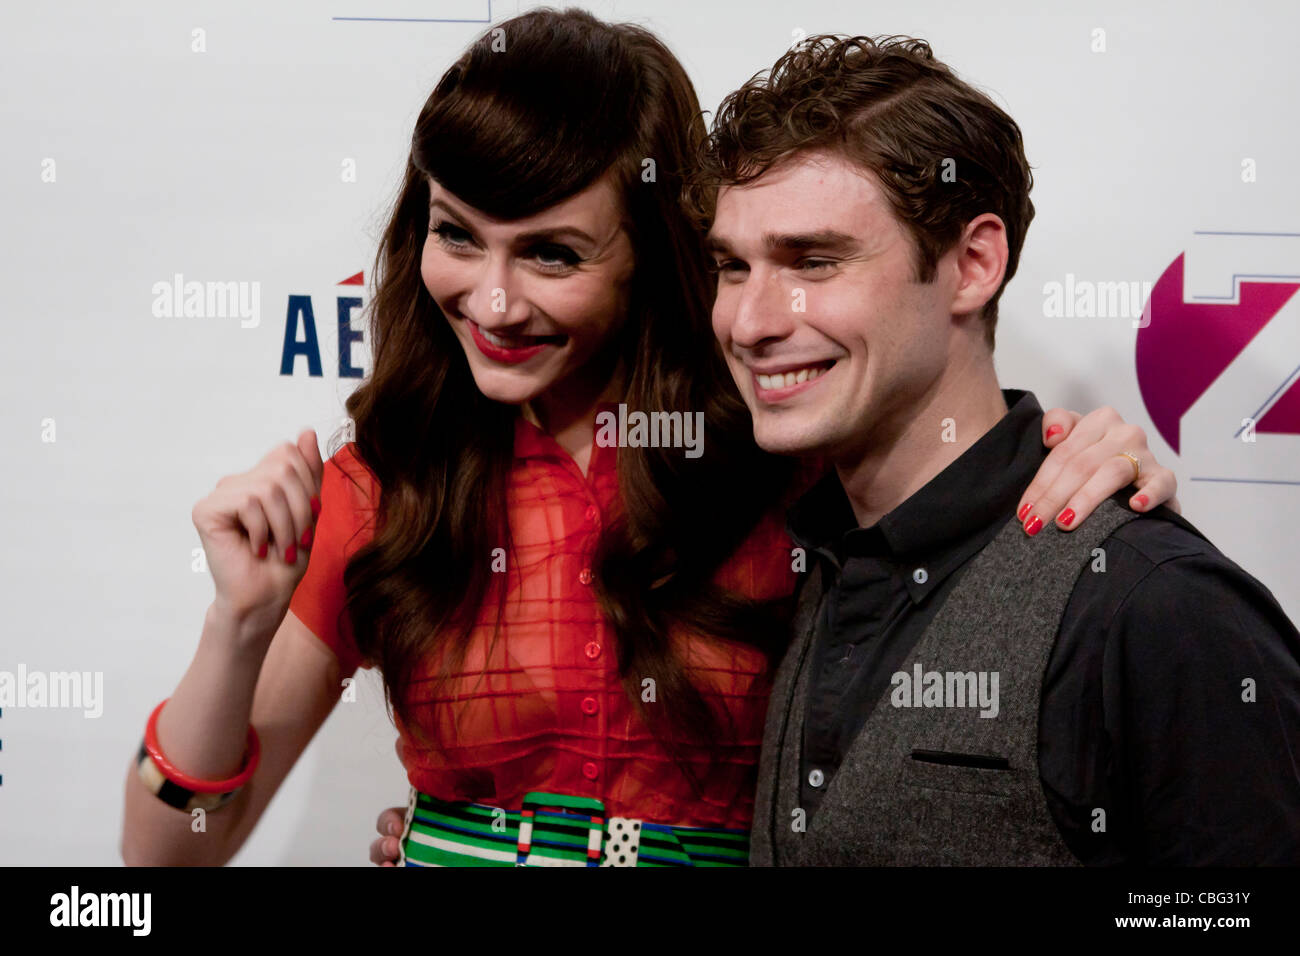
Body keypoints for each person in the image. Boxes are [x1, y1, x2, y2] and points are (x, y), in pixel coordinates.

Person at [117, 9, 1178, 869]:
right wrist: (238, 623)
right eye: (455, 234)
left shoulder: (789, 446)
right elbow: (168, 858)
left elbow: (959, 475)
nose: (489, 298)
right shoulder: (386, 487)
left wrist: (1098, 462)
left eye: (552, 254)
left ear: (649, 249)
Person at [679, 33, 1300, 865]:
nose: (750, 322)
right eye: (731, 267)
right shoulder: (813, 565)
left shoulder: (1157, 607)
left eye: (814, 262)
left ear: (973, 265)